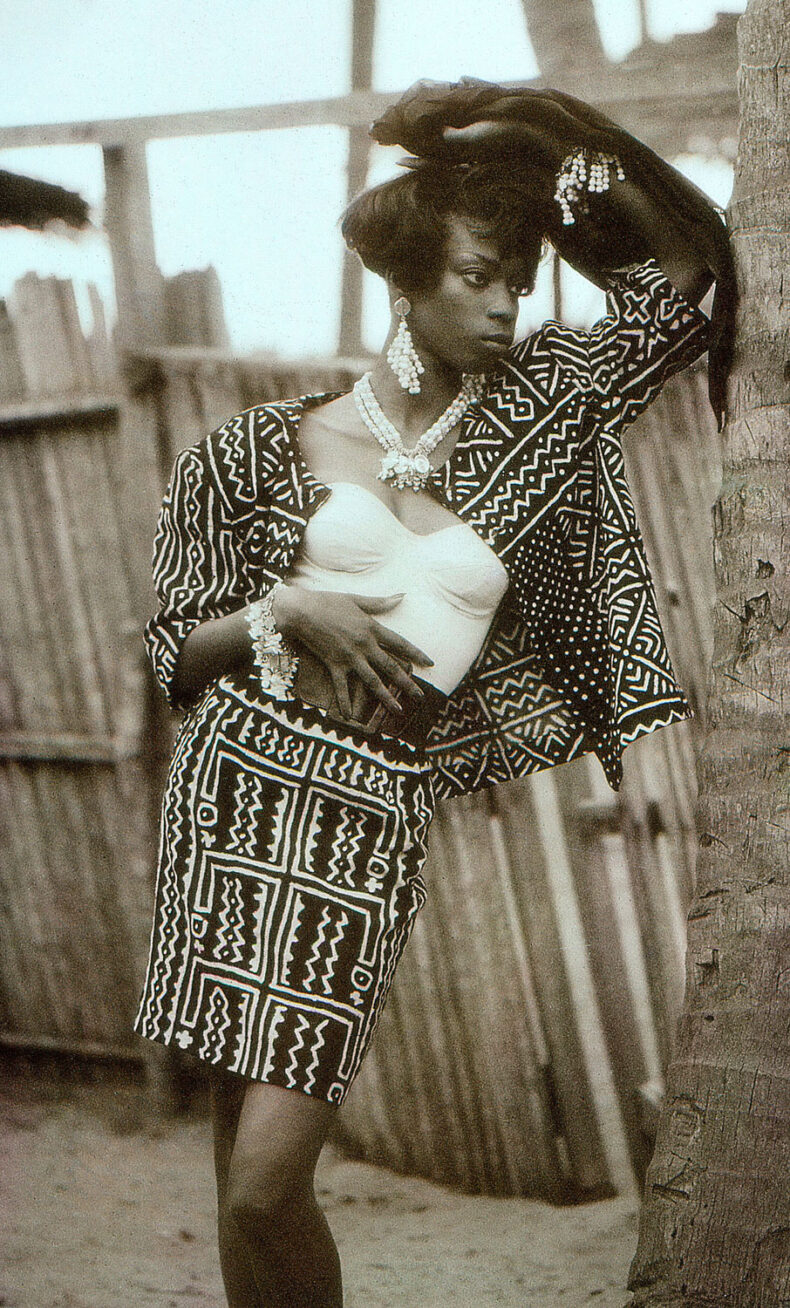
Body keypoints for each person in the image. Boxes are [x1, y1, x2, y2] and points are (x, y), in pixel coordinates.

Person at [134, 79, 733, 1308]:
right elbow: (163, 659)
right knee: (236, 1179)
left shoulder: (541, 414)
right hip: (233, 795)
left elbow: (680, 270)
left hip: (365, 816)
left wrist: (550, 142)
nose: (509, 302)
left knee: (263, 1183)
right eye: (479, 273)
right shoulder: (254, 451)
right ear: (406, 283)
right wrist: (280, 606)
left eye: (522, 274)